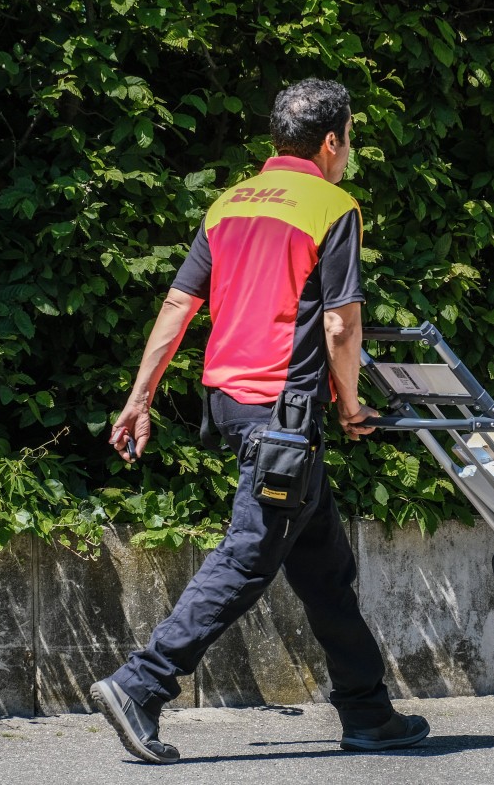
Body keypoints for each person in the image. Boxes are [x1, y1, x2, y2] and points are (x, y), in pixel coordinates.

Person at [89, 79, 430, 764]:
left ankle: (367, 709)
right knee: (249, 554)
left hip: (235, 406)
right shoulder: (333, 205)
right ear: (331, 142)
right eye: (350, 138)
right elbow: (341, 322)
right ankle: (141, 683)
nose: (349, 151)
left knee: (324, 566)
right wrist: (351, 401)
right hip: (283, 414)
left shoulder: (230, 202)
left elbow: (178, 305)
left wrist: (140, 397)